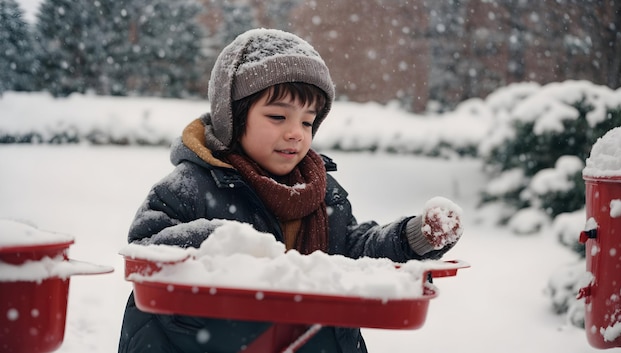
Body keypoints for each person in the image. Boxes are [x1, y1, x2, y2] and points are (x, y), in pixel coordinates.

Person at [118, 28, 463, 353]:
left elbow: (355, 252)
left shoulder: (323, 193)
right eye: (278, 117)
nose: (296, 133)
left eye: (307, 121)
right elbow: (147, 249)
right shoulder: (190, 187)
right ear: (233, 119)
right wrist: (219, 245)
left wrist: (413, 237)